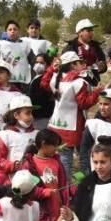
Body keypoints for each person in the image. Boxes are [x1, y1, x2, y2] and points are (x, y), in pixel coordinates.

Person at [41, 51, 99, 182]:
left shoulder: (56, 78)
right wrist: (97, 92)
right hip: (71, 126)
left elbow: (43, 83)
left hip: (55, 124)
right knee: (67, 159)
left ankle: (58, 187)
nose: (82, 66)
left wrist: (51, 69)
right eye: (80, 63)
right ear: (73, 65)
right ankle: (66, 190)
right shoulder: (79, 82)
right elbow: (84, 103)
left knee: (57, 157)